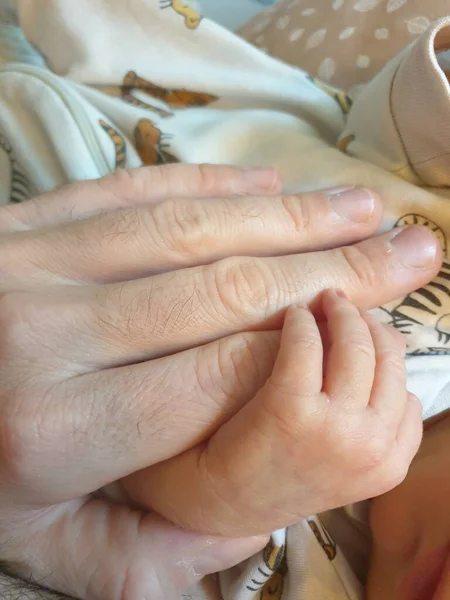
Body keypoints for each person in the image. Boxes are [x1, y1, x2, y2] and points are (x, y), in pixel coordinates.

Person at [1, 1, 450, 600]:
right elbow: (404, 113)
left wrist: (228, 498)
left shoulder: (324, 577)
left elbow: (126, 504)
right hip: (144, 105)